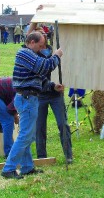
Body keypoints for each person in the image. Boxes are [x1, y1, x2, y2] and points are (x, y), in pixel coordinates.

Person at [1, 31, 64, 179]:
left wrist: (53, 86)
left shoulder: (31, 55)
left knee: (27, 135)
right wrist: (56, 56)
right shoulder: (25, 53)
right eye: (40, 46)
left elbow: (39, 79)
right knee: (25, 135)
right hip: (27, 99)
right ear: (31, 42)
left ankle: (27, 167)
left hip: (28, 98)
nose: (42, 49)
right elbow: (44, 67)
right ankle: (9, 168)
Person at [26, 20, 72, 163]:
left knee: (63, 124)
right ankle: (41, 157)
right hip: (40, 95)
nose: (43, 37)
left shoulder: (51, 49)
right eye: (40, 35)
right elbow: (28, 36)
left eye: (44, 35)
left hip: (53, 92)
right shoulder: (32, 54)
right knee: (40, 127)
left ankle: (68, 155)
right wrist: (35, 19)